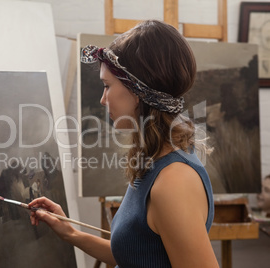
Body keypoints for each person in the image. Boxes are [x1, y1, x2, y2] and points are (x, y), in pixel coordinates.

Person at [29, 20, 219, 268]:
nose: (102, 99)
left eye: (107, 86)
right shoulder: (155, 160)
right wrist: (71, 233)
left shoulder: (174, 182)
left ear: (139, 90)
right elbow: (137, 256)